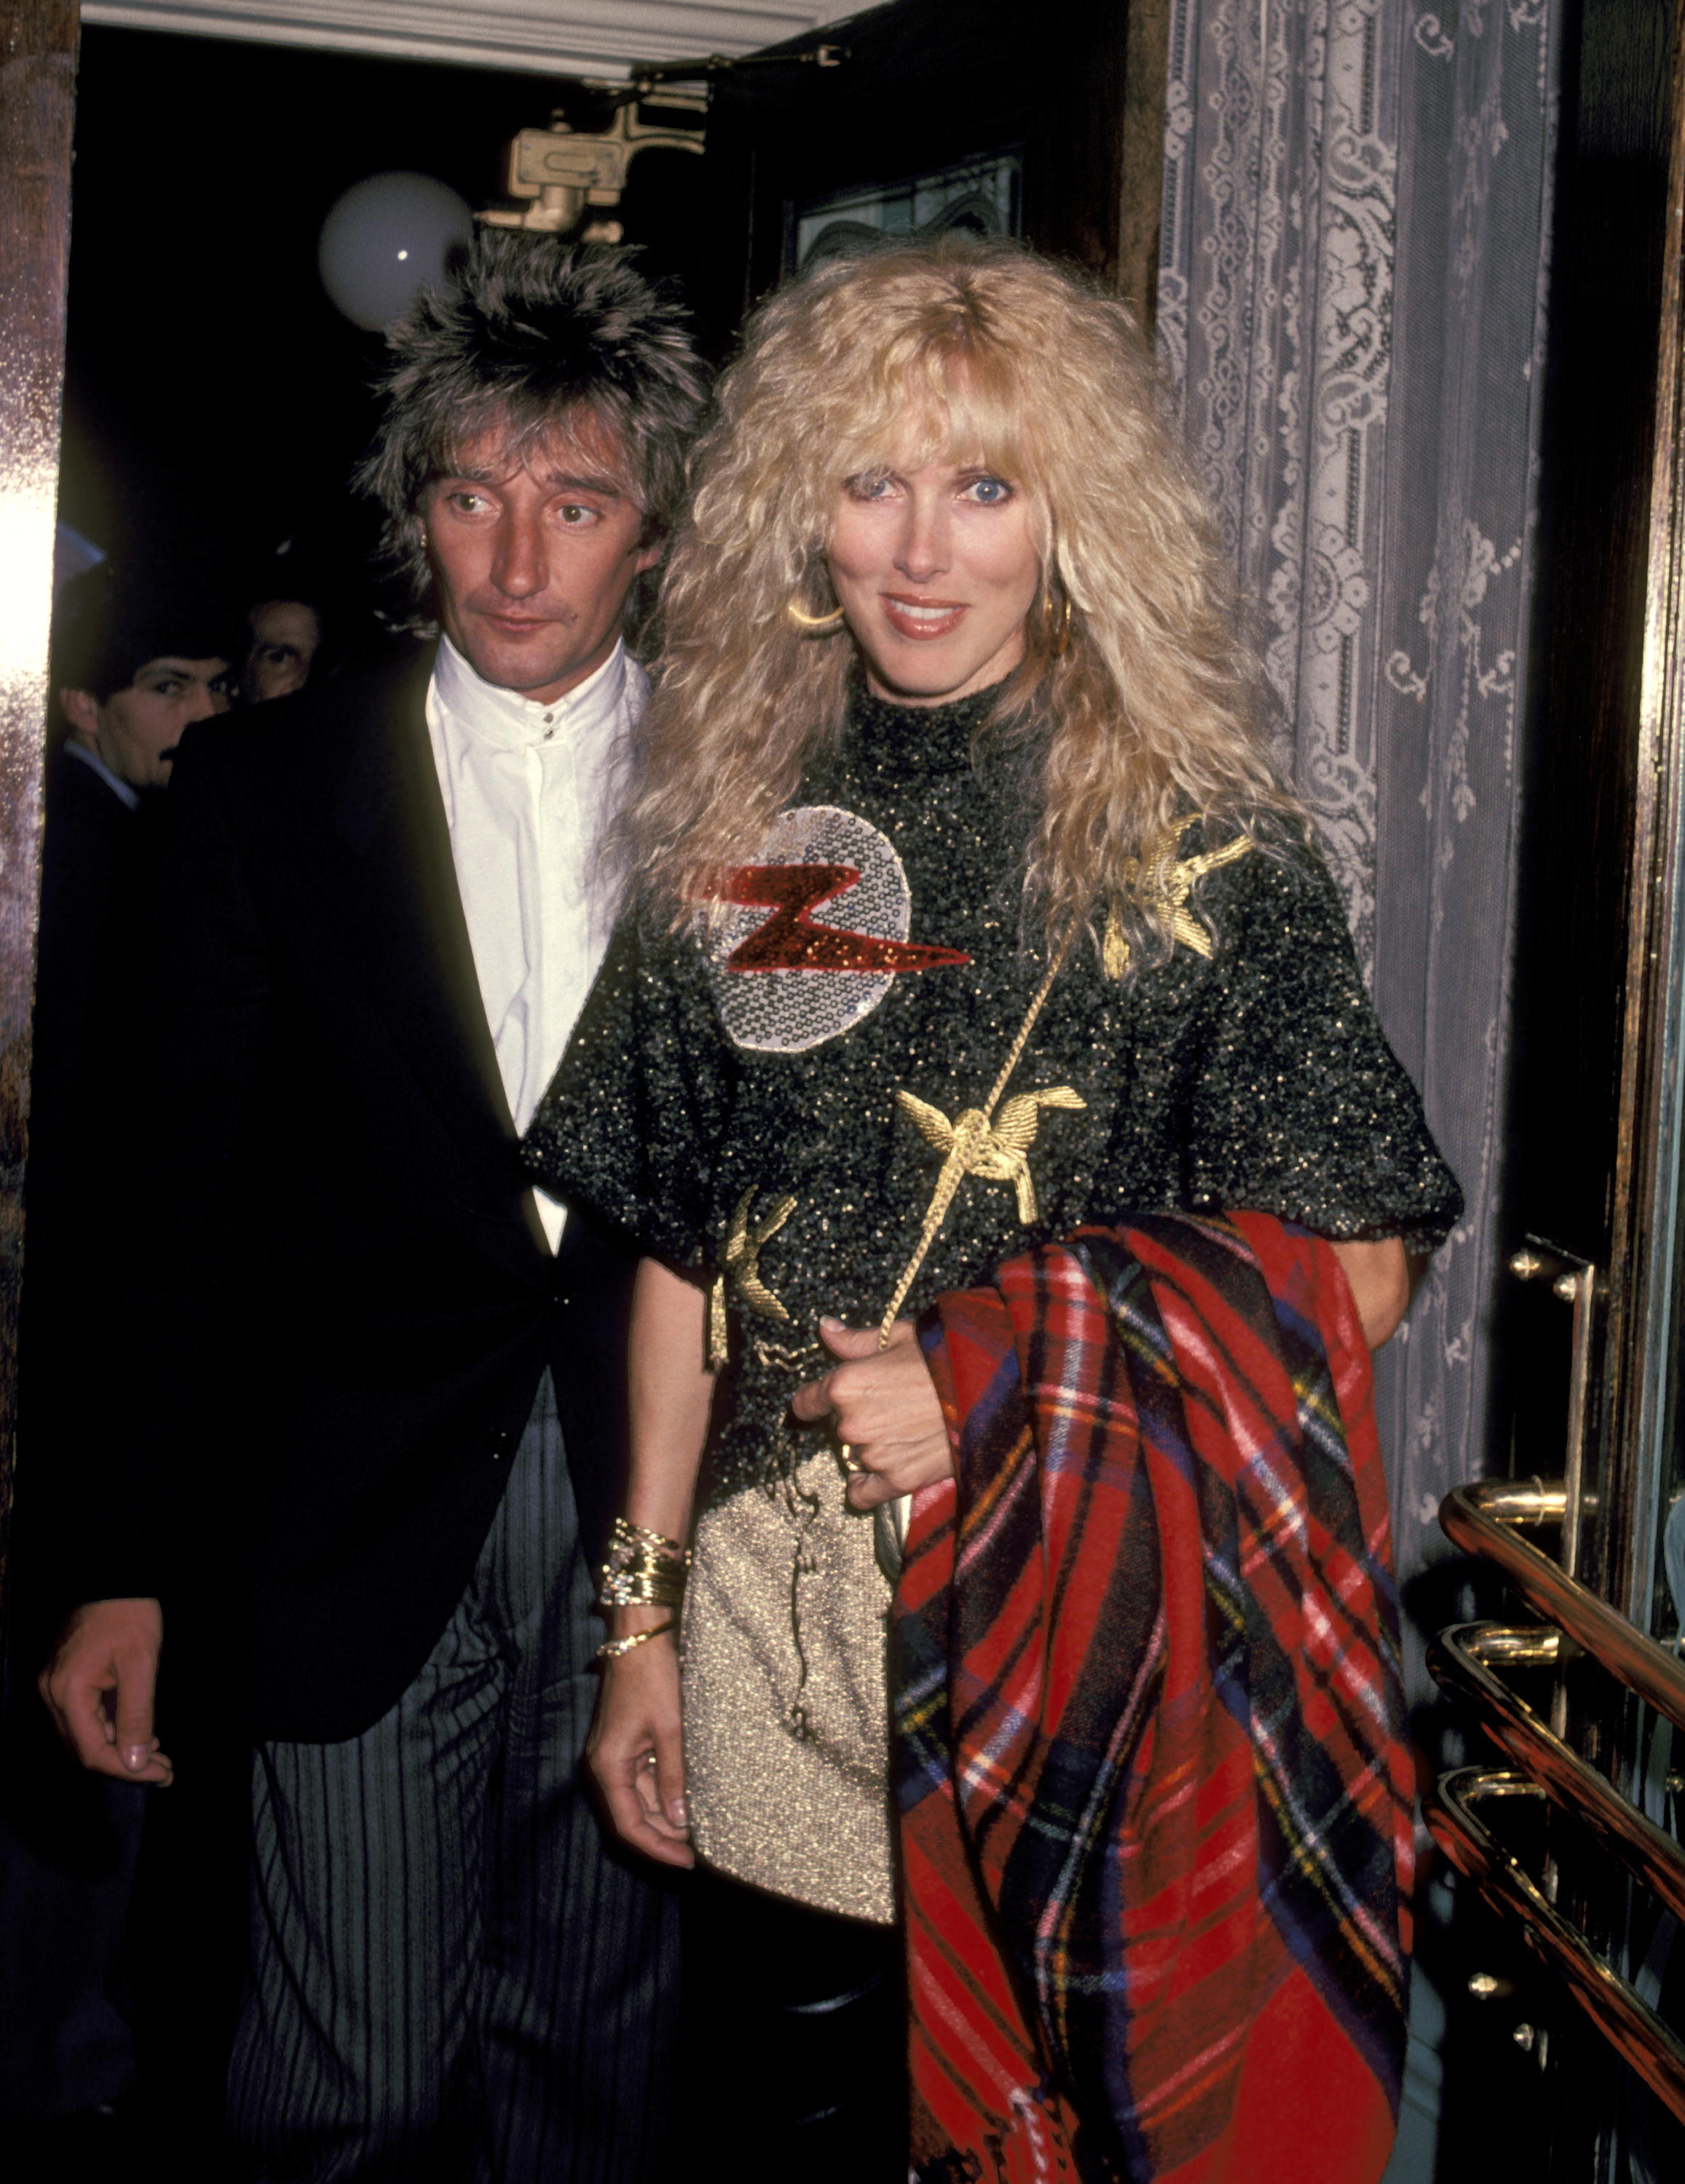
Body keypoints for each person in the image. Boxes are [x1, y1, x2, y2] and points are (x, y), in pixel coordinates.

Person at [521, 237, 1462, 2180]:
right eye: (871, 482)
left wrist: (997, 1379)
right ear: (801, 515)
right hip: (781, 1632)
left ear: (1071, 519)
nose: (921, 550)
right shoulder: (747, 819)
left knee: (1033, 2138)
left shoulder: (1199, 841)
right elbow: (691, 1256)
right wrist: (639, 1622)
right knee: (788, 2132)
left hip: (1065, 1616)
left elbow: (1357, 1269)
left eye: (984, 484)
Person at [39, 232, 709, 2180]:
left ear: (648, 536)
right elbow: (150, 1212)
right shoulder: (256, 790)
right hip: (333, 1517)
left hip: (642, 1514)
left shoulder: (756, 795)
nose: (518, 556)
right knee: (343, 2095)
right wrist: (112, 1556)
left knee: (590, 2086)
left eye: (573, 503)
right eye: (473, 496)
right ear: (418, 517)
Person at [2, 564, 235, 2143]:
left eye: (218, 683)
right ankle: (57, 2075)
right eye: (170, 685)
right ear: (80, 707)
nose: (202, 713)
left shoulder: (138, 841)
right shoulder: (78, 855)